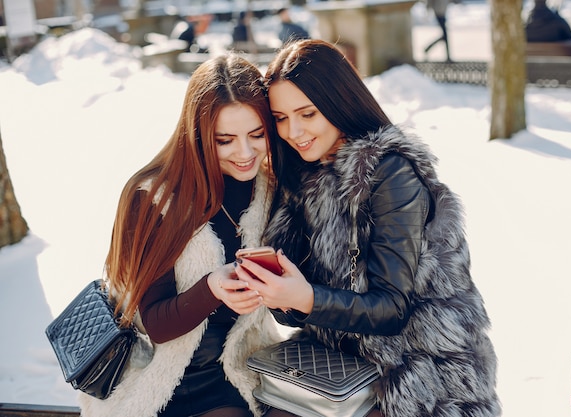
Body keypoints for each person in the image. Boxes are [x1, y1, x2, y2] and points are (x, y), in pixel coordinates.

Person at [234, 39, 501, 417]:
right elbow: (302, 308)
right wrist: (282, 296)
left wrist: (305, 297)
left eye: (307, 113)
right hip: (339, 372)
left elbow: (391, 309)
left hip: (417, 373)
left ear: (338, 102)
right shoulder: (300, 175)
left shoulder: (389, 173)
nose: (293, 131)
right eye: (280, 118)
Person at [78, 54, 283, 417]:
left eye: (257, 134)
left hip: (242, 369)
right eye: (225, 140)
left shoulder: (269, 188)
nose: (245, 153)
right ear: (198, 134)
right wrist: (212, 288)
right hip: (164, 378)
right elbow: (155, 324)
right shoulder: (153, 197)